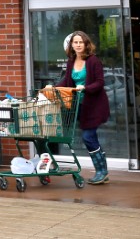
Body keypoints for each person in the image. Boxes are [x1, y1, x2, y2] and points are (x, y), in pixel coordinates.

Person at [48, 31, 111, 185]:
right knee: (84, 136)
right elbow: (68, 82)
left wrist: (86, 87)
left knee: (88, 137)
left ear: (86, 44)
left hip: (94, 106)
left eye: (80, 42)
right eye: (75, 42)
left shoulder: (93, 61)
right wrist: (53, 88)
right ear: (72, 45)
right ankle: (103, 172)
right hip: (78, 105)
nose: (78, 45)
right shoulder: (71, 61)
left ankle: (101, 171)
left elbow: (100, 82)